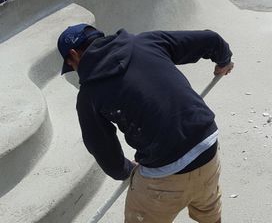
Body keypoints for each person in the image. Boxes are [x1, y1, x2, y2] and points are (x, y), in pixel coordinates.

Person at [57, 24, 234, 223]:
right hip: (207, 145)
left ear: (74, 55)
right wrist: (224, 60)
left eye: (71, 65)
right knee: (207, 207)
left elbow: (102, 149)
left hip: (164, 174)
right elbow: (211, 40)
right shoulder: (145, 42)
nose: (74, 70)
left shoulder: (89, 95)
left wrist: (126, 170)